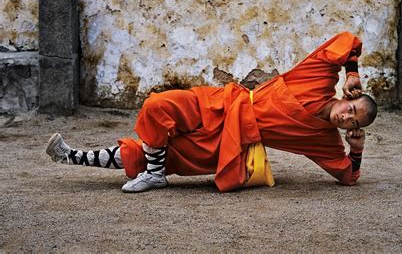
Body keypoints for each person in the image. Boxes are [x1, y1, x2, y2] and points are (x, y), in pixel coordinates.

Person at [46, 31, 377, 193]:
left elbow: (348, 176)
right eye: (351, 109)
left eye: (353, 122)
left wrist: (356, 151)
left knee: (153, 156)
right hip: (223, 102)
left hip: (232, 141)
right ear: (347, 97)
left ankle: (72, 156)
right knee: (158, 106)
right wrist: (352, 72)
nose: (347, 118)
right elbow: (350, 40)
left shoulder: (324, 140)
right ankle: (156, 174)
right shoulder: (318, 78)